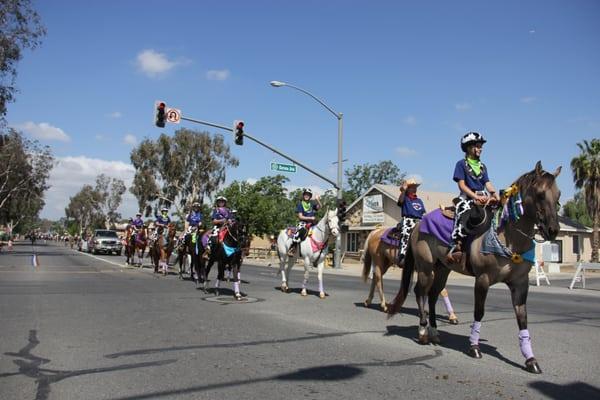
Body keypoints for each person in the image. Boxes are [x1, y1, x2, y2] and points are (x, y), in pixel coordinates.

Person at [447, 132, 500, 263]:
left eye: (480, 146)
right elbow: (462, 185)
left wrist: (494, 193)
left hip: (483, 197)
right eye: (477, 146)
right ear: (468, 148)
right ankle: (456, 245)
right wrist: (475, 196)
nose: (480, 149)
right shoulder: (461, 164)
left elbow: (487, 183)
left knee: (498, 213)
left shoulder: (483, 166)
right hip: (467, 196)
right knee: (463, 210)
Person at [395, 178, 426, 265]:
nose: (414, 189)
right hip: (408, 220)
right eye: (412, 187)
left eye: (415, 187)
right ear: (407, 189)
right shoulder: (405, 198)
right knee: (406, 234)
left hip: (419, 220)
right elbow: (400, 202)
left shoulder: (419, 200)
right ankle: (402, 255)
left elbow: (422, 212)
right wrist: (403, 191)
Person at [288, 188, 321, 256]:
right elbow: (300, 216)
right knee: (301, 231)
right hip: (303, 223)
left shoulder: (311, 204)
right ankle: (292, 248)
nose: (306, 196)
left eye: (308, 195)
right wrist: (310, 218)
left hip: (312, 223)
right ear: (303, 195)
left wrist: (318, 200)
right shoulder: (300, 204)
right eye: (305, 194)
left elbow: (320, 206)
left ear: (310, 196)